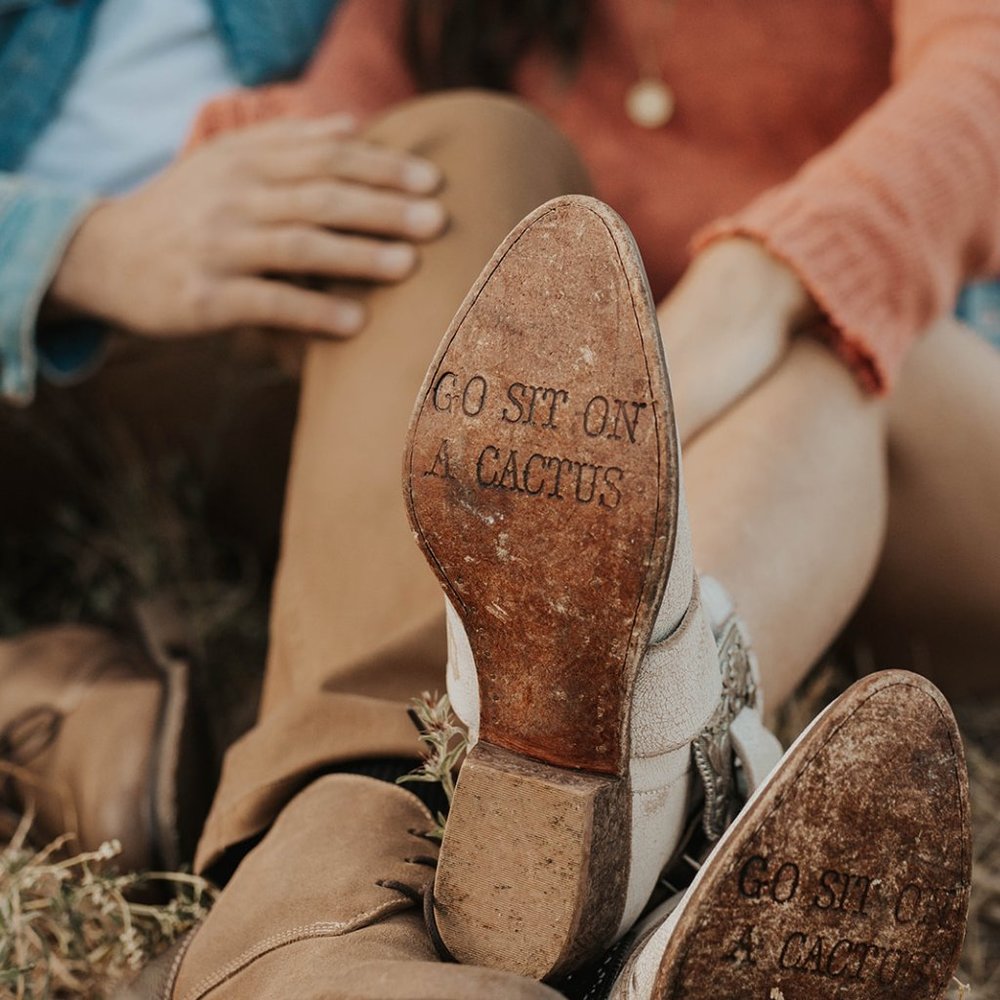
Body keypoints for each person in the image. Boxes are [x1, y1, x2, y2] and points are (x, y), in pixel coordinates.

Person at [1, 0, 995, 996]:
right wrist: (144, 217)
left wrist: (763, 280)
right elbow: (375, 139)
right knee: (474, 150)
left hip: (889, 402)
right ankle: (643, 903)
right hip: (657, 460)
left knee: (839, 346)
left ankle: (637, 791)